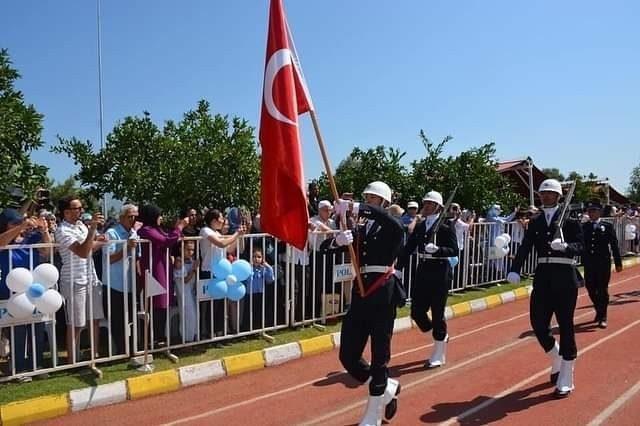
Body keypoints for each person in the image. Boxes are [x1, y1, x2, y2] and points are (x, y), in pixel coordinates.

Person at [321, 181, 405, 426]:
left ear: (384, 203)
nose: (368, 202)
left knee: (380, 356)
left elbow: (387, 221)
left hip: (382, 293)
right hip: (360, 293)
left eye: (373, 199)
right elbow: (326, 251)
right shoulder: (361, 229)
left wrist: (356, 206)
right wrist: (337, 241)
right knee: (348, 355)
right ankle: (387, 389)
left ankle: (372, 415)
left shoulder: (393, 226)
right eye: (366, 197)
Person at [507, 178, 584, 398]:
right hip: (543, 277)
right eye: (543, 193)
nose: (546, 196)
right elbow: (525, 247)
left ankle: (567, 375)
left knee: (566, 325)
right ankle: (556, 356)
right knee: (538, 324)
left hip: (565, 277)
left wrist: (567, 247)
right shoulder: (537, 221)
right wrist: (515, 268)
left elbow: (582, 247)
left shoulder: (569, 219)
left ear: (559, 196)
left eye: (551, 193)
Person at [399, 191, 458, 368]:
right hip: (424, 269)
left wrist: (438, 250)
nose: (425, 206)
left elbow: (454, 250)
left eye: (430, 204)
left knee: (438, 313)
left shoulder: (446, 226)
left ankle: (439, 353)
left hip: (440, 271)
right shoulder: (421, 226)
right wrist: (398, 268)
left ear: (438, 207)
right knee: (417, 312)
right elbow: (409, 248)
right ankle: (440, 335)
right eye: (425, 203)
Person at [0, 209, 51, 379]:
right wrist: (21, 226)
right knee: (17, 332)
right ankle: (19, 369)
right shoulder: (5, 240)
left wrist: (43, 230)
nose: (19, 226)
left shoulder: (30, 238)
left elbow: (47, 251)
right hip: (12, 293)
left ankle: (37, 366)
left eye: (19, 222)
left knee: (37, 328)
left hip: (34, 291)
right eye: (13, 223)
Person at [55, 196, 106, 363]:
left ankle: (93, 356)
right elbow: (83, 252)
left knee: (95, 319)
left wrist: (97, 238)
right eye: (77, 208)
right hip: (74, 281)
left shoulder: (81, 226)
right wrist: (92, 230)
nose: (81, 210)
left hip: (91, 277)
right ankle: (72, 361)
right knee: (76, 323)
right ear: (67, 212)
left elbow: (90, 246)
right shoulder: (62, 230)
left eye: (81, 207)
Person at [138, 204, 187, 345]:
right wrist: (179, 227)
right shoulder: (146, 230)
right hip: (155, 270)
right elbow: (166, 241)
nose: (161, 217)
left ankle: (160, 336)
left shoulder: (156, 229)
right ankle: (153, 338)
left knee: (164, 303)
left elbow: (170, 238)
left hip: (163, 268)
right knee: (157, 303)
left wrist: (177, 230)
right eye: (158, 215)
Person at [102, 204, 139, 354]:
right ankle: (122, 352)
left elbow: (137, 258)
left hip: (130, 284)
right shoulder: (112, 233)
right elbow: (109, 259)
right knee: (118, 322)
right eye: (130, 216)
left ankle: (131, 349)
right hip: (114, 285)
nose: (133, 219)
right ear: (122, 217)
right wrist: (127, 247)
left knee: (130, 320)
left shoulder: (134, 233)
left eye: (136, 216)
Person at [581, 200, 622, 328]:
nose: (591, 213)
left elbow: (614, 244)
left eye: (594, 210)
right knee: (590, 288)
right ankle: (599, 309)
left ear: (599, 212)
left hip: (603, 262)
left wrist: (618, 262)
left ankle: (602, 316)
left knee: (602, 289)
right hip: (589, 263)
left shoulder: (607, 226)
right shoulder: (584, 227)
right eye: (590, 211)